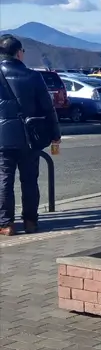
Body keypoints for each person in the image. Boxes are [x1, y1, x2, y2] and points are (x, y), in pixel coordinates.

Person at [0, 35, 61, 236]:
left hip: (3, 139)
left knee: (4, 180)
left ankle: (6, 224)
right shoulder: (34, 76)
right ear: (19, 53)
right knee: (29, 181)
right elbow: (48, 108)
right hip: (29, 137)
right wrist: (55, 133)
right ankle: (30, 222)